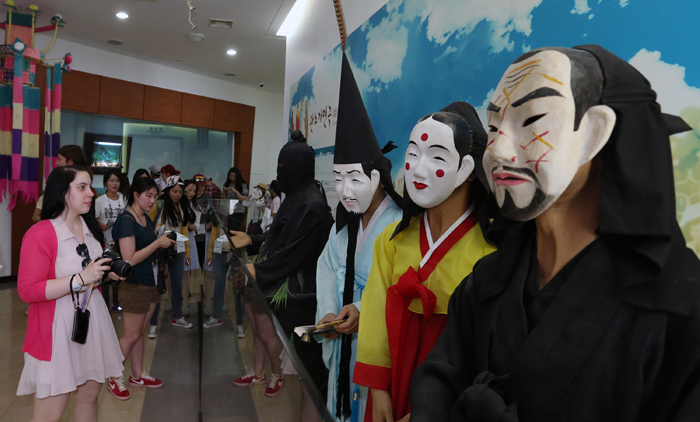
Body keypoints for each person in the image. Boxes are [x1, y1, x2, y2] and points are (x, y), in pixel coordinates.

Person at [410, 45, 700, 422]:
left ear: (595, 131)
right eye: (495, 127)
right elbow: (440, 380)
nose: (497, 150)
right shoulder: (486, 283)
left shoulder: (681, 307)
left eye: (532, 121)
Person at [354, 102, 497, 422]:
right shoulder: (391, 239)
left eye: (437, 155)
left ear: (468, 170)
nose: (418, 169)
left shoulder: (491, 252)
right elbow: (375, 314)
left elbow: (485, 352)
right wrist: (377, 390)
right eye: (413, 153)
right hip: (390, 385)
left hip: (450, 396)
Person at [315, 51, 404, 422]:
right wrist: (329, 313)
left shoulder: (400, 226)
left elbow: (400, 289)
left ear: (376, 177)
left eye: (353, 178)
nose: (344, 189)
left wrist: (363, 310)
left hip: (375, 350)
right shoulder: (344, 229)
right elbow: (326, 268)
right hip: (342, 342)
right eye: (337, 179)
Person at [230, 131, 335, 410]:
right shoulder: (296, 197)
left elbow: (296, 253)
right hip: (291, 302)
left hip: (305, 304)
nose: (279, 173)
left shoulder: (313, 205)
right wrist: (252, 240)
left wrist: (260, 271)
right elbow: (281, 239)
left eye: (283, 167)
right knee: (303, 375)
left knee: (311, 377)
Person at [16, 165, 124, 421]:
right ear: (63, 192)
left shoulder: (91, 231)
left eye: (90, 187)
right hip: (56, 330)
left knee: (89, 399)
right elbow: (28, 290)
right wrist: (79, 279)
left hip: (90, 322)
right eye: (82, 187)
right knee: (48, 415)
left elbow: (91, 276)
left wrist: (105, 276)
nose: (91, 194)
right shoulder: (41, 233)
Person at [107, 176, 175, 400]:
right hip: (134, 283)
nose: (152, 200)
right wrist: (157, 243)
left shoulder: (145, 217)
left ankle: (137, 374)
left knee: (140, 333)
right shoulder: (127, 220)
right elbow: (128, 259)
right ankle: (113, 375)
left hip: (150, 281)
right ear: (136, 195)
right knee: (131, 334)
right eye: (149, 196)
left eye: (155, 197)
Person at [155, 175, 195, 328]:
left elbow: (184, 230)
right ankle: (153, 322)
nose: (177, 194)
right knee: (158, 284)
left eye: (180, 192)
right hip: (160, 249)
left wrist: (187, 252)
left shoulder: (182, 206)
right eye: (174, 191)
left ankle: (177, 316)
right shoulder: (160, 205)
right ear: (167, 190)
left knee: (177, 284)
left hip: (178, 250)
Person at [95, 168, 127, 312]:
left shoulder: (124, 199)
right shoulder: (99, 201)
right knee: (107, 272)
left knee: (119, 271)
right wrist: (99, 225)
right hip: (105, 243)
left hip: (121, 243)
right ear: (106, 182)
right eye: (111, 180)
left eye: (117, 181)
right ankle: (105, 304)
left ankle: (117, 302)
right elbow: (93, 220)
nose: (115, 184)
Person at [32, 145, 88, 223]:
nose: (56, 163)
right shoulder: (52, 192)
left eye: (59, 159)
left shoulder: (86, 197)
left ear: (70, 163)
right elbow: (35, 217)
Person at [181, 179, 203, 317]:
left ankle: (184, 305)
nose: (191, 193)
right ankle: (174, 302)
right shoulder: (177, 204)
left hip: (188, 240)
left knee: (185, 274)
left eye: (194, 191)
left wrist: (185, 223)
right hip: (174, 239)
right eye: (189, 190)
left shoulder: (196, 207)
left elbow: (197, 227)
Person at [223, 167, 249, 232]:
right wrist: (224, 191)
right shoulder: (227, 184)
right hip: (229, 211)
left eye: (234, 176)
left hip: (238, 212)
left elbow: (244, 199)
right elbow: (223, 200)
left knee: (234, 231)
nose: (232, 178)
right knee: (228, 231)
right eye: (230, 176)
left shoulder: (243, 185)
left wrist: (236, 191)